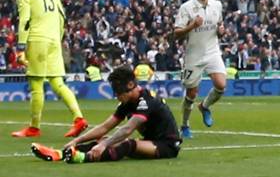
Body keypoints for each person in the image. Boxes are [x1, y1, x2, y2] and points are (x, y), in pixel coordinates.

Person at [31, 66, 181, 164]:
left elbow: (127, 129)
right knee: (105, 139)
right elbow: (105, 127)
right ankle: (61, 154)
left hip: (167, 146)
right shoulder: (127, 102)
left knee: (127, 144)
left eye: (118, 92)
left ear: (130, 85)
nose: (116, 96)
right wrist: (77, 140)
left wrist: (103, 146)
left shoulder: (146, 100)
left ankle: (84, 158)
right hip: (151, 141)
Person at [8, 0, 88, 139]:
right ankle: (79, 119)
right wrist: (57, 38)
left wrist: (21, 47)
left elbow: (25, 21)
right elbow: (61, 16)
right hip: (53, 40)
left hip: (37, 39)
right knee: (58, 83)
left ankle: (34, 128)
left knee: (36, 85)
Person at [173, 0, 227, 139]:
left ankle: (204, 106)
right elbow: (176, 34)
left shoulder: (217, 5)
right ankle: (185, 125)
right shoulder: (186, 8)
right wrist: (192, 26)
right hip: (194, 55)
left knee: (221, 85)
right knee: (191, 93)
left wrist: (221, 32)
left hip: (212, 51)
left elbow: (219, 26)